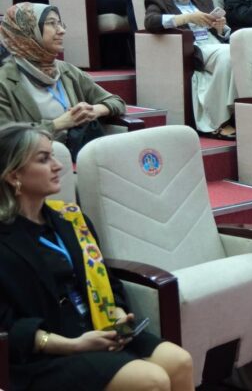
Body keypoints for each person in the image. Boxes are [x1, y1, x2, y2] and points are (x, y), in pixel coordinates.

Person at [0, 123, 195, 390]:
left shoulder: (71, 218)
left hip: (96, 328)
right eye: (44, 159)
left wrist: (117, 314)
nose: (58, 166)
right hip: (42, 353)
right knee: (151, 380)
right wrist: (72, 345)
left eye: (54, 156)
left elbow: (106, 278)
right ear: (14, 176)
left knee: (179, 361)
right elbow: (7, 326)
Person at [0, 3, 127, 142]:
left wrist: (93, 110)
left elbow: (116, 102)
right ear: (27, 31)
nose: (61, 31)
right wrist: (58, 124)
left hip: (76, 150)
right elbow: (5, 138)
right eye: (51, 23)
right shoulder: (4, 80)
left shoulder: (66, 70)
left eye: (60, 24)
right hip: (34, 154)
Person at [143, 0, 236, 138]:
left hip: (213, 43)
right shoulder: (158, 1)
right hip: (192, 47)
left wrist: (220, 27)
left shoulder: (203, 0)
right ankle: (219, 120)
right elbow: (151, 22)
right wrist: (187, 18)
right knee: (229, 55)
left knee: (239, 52)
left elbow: (218, 31)